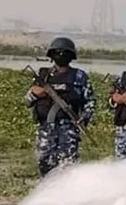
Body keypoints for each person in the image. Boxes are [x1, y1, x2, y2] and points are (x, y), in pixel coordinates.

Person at [25, 36, 95, 177]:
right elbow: (28, 101)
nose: (61, 56)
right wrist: (37, 93)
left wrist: (82, 120)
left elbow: (90, 102)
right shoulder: (43, 75)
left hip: (68, 130)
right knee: (45, 165)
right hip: (46, 130)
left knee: (68, 168)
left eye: (65, 53)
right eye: (58, 53)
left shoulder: (79, 76)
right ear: (52, 55)